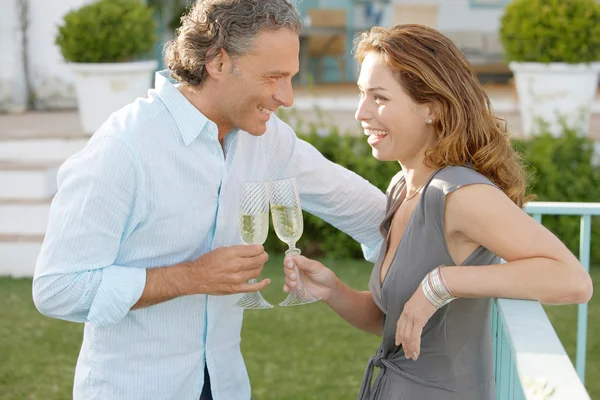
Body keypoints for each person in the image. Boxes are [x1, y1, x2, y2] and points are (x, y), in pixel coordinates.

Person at [31, 1, 386, 399]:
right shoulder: (125, 148)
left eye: (290, 77)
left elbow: (372, 214)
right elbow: (59, 287)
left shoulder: (268, 140)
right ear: (217, 62)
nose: (286, 96)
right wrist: (191, 277)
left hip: (225, 385)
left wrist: (452, 230)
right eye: (273, 77)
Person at [283, 24, 594, 400]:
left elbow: (573, 281)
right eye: (362, 94)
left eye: (379, 97)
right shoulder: (402, 187)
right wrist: (332, 290)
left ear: (432, 107)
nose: (360, 112)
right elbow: (393, 323)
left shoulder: (459, 193)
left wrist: (441, 283)